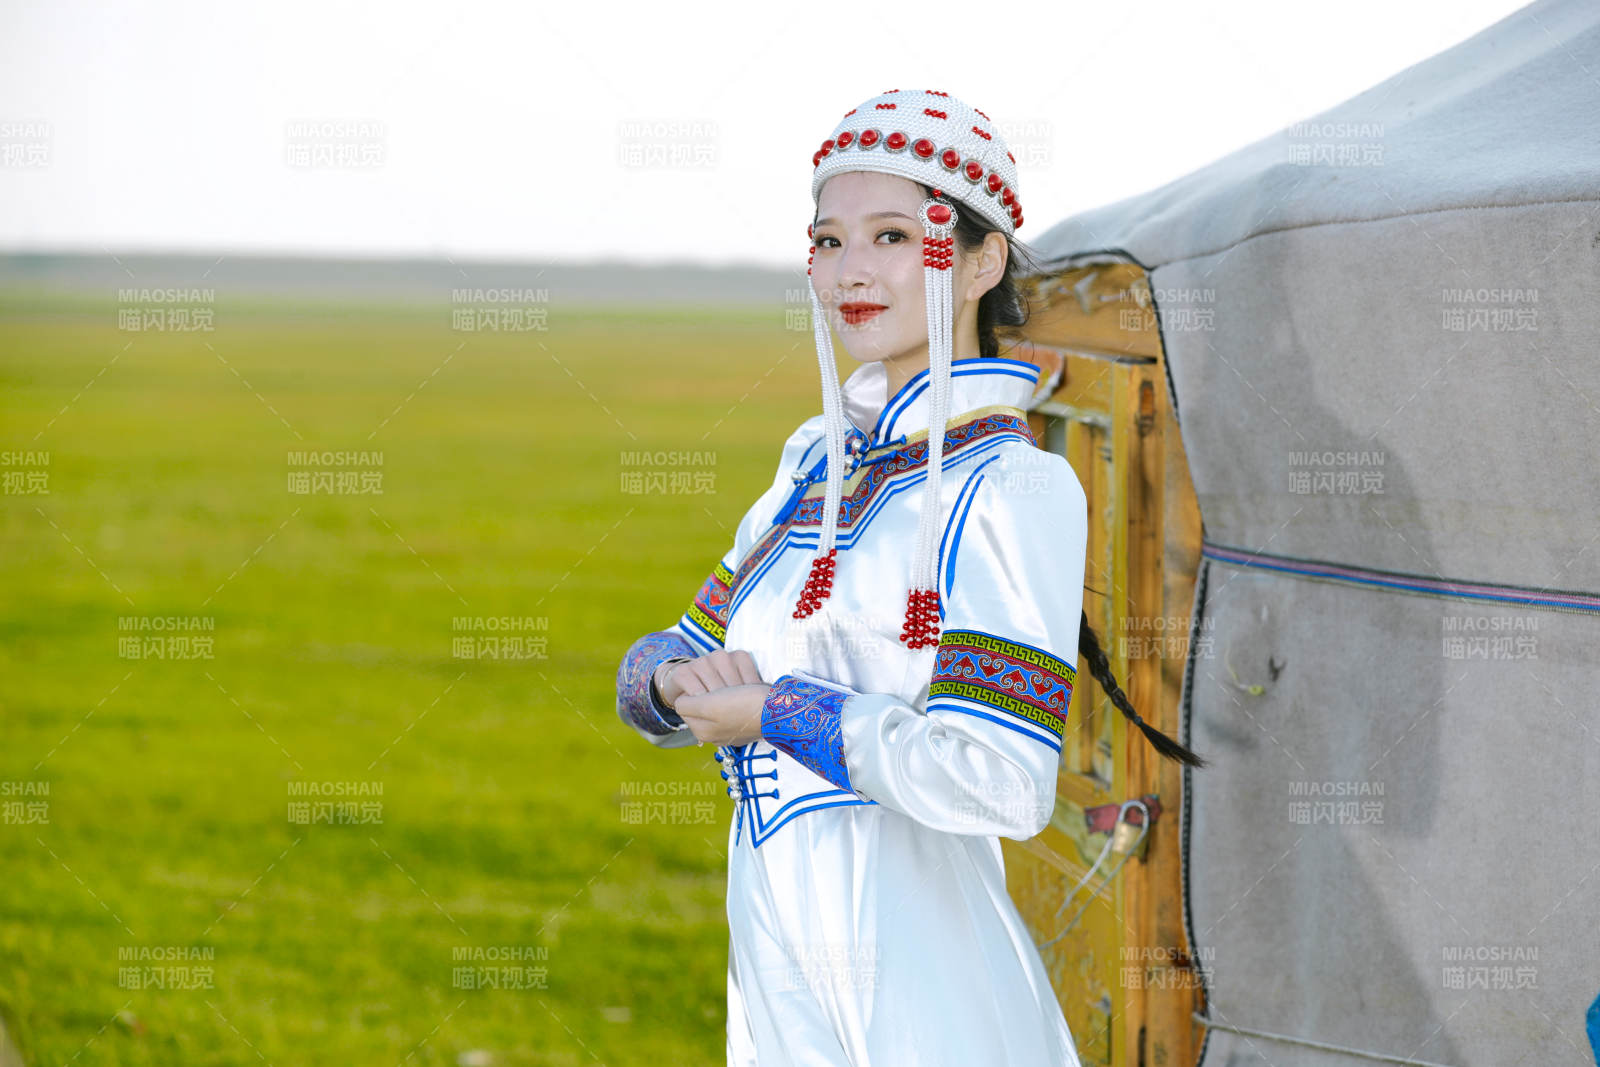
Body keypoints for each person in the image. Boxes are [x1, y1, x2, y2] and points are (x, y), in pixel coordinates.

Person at [615, 88, 1204, 1067]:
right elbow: (674, 651)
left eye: (892, 236)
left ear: (981, 261)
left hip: (916, 953)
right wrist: (677, 683)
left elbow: (1001, 781)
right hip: (770, 922)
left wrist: (779, 710)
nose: (851, 269)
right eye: (829, 240)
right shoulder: (813, 464)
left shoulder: (1010, 486)